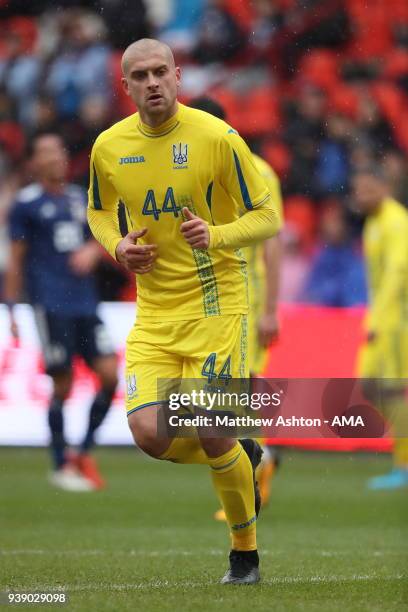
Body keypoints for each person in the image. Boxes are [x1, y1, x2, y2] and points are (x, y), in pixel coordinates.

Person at [87, 38, 280, 584]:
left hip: (218, 304)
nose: (152, 83)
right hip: (154, 312)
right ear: (125, 87)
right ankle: (243, 453)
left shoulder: (217, 137)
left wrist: (216, 235)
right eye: (139, 76)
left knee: (210, 428)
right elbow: (99, 211)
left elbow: (266, 217)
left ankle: (244, 553)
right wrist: (117, 247)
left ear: (177, 74)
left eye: (159, 72)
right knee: (150, 434)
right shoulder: (108, 146)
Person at [4, 133, 118, 492]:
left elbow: (102, 235)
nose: (55, 157)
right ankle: (59, 462)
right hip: (50, 304)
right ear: (34, 162)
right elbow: (17, 260)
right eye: (46, 152)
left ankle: (83, 452)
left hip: (86, 302)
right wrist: (11, 308)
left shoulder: (76, 198)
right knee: (63, 384)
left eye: (58, 150)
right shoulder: (26, 205)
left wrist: (92, 251)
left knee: (110, 376)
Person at [188, 96, 283, 518]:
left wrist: (271, 310)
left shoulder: (257, 170)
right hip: (211, 295)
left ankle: (256, 475)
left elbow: (273, 239)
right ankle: (255, 466)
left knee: (237, 387)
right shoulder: (196, 168)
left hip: (247, 296)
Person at [353, 166, 408, 490]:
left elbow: (398, 274)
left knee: (389, 389)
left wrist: (379, 319)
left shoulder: (395, 222)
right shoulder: (374, 223)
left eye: (366, 189)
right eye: (357, 190)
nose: (360, 196)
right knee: (372, 386)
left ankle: (404, 465)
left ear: (384, 187)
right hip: (383, 316)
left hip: (396, 320)